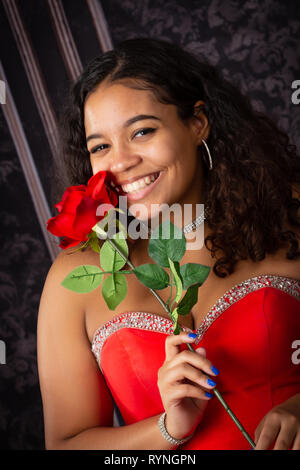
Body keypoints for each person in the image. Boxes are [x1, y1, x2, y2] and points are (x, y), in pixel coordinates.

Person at [37, 37, 300, 450]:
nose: (120, 162)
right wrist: (168, 429)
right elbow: (65, 445)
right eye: (101, 146)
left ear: (198, 124)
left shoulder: (287, 219)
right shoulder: (76, 277)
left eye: (141, 131)